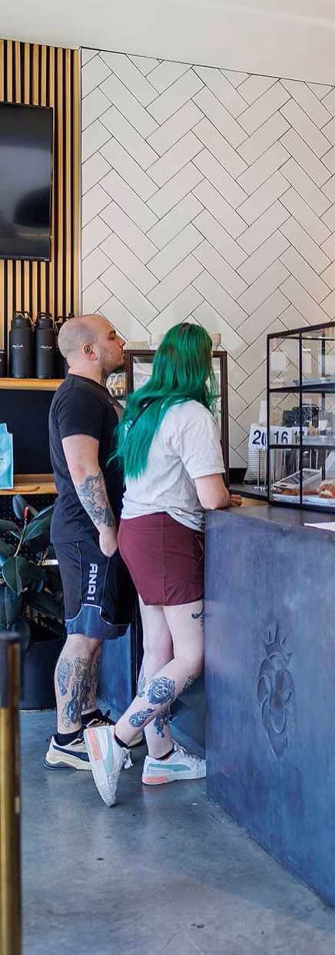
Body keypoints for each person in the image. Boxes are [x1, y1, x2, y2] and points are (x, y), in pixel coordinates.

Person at [84, 323, 239, 807]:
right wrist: (234, 499)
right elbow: (212, 497)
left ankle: (162, 754)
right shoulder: (191, 413)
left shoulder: (141, 411)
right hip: (168, 537)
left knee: (158, 647)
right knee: (191, 654)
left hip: (137, 532)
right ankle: (119, 737)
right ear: (200, 366)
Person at [45, 315, 131, 771]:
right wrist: (107, 529)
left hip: (90, 530)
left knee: (93, 634)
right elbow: (83, 468)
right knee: (82, 634)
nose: (121, 342)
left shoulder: (92, 395)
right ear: (90, 351)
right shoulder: (78, 397)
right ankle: (65, 738)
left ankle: (86, 715)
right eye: (112, 336)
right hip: (86, 532)